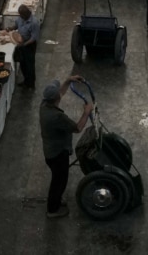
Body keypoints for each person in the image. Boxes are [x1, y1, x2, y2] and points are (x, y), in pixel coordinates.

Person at [40, 76, 94, 218]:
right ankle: (53, 210)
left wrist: (68, 81)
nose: (60, 91)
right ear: (56, 98)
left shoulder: (44, 105)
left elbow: (60, 93)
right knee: (59, 181)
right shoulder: (57, 117)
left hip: (49, 151)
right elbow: (77, 128)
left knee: (58, 179)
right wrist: (86, 112)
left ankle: (56, 200)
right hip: (57, 154)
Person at [8, 5, 40, 89]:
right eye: (20, 15)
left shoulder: (34, 23)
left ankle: (31, 84)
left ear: (27, 14)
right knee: (23, 64)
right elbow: (16, 25)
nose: (20, 17)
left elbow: (34, 38)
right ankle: (26, 80)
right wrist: (10, 29)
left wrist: (24, 44)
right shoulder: (20, 18)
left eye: (22, 15)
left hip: (29, 45)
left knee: (29, 65)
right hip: (21, 43)